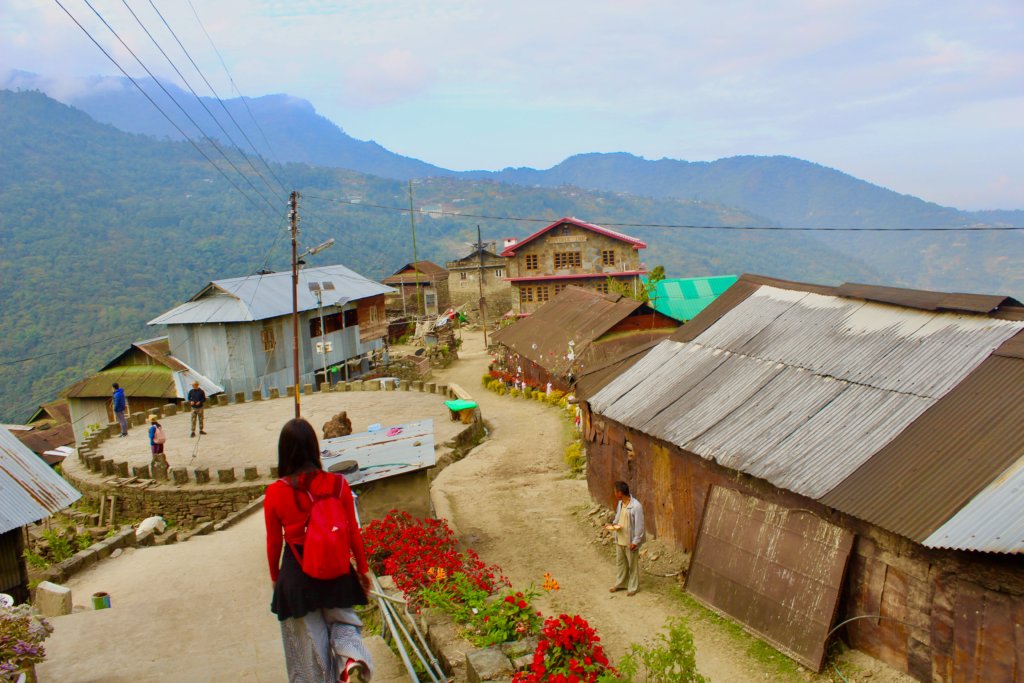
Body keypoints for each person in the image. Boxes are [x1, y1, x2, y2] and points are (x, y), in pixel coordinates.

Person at [264, 418, 373, 683]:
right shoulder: (338, 485)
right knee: (345, 623)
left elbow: (273, 542)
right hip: (335, 570)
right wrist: (362, 569)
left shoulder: (275, 493)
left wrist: (276, 578)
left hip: (297, 576)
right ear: (314, 447)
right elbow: (352, 533)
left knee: (309, 650)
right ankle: (350, 658)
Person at [606, 480, 645, 596]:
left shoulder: (636, 506)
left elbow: (639, 526)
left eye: (615, 491)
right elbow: (618, 518)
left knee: (632, 565)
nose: (614, 494)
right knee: (621, 564)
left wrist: (635, 541)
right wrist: (612, 525)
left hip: (630, 541)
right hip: (620, 539)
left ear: (620, 493)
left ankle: (633, 587)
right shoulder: (621, 503)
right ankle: (621, 583)